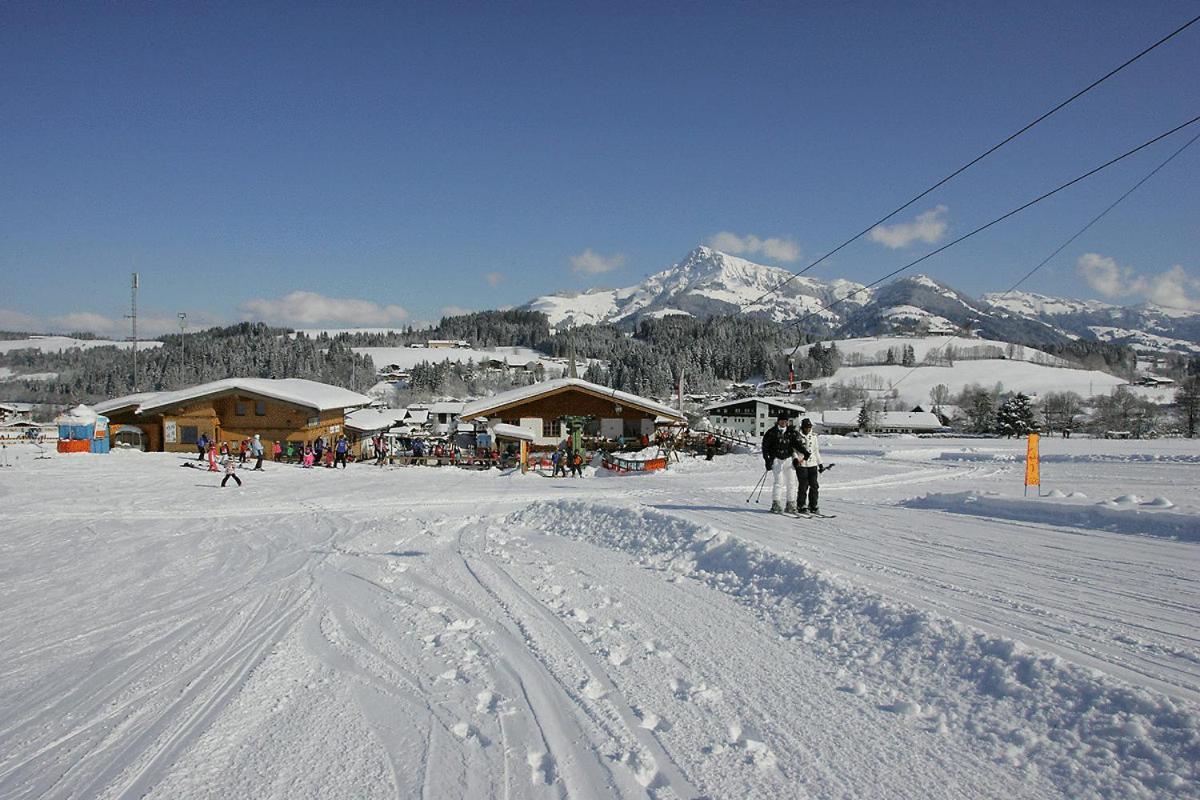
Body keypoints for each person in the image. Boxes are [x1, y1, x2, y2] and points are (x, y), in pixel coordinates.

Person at [761, 413, 805, 514]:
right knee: (779, 482)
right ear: (778, 421)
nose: (784, 422)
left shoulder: (791, 433)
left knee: (791, 482)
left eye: (785, 421)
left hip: (788, 459)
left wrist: (796, 458)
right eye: (782, 421)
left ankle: (791, 504)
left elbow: (795, 446)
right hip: (776, 459)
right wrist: (767, 460)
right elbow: (765, 448)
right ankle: (776, 503)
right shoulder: (771, 432)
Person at [794, 417, 825, 514]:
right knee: (803, 486)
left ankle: (813, 505)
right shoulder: (797, 437)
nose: (808, 429)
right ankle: (801, 505)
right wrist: (796, 459)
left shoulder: (814, 437)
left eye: (809, 427)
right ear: (802, 427)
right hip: (802, 464)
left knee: (814, 486)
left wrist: (820, 464)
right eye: (806, 427)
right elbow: (794, 450)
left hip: (813, 464)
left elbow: (816, 451)